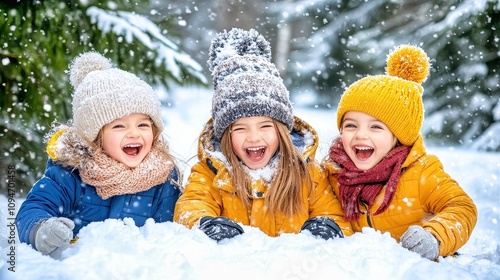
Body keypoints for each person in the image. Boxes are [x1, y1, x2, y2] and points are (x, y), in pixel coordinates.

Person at [173, 28, 351, 242]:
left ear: (283, 131)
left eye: (265, 126)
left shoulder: (308, 173)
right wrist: (203, 224)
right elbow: (191, 206)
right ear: (225, 136)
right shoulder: (212, 172)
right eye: (240, 128)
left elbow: (335, 216)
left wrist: (328, 229)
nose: (254, 137)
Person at [16, 52, 181, 257]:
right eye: (119, 126)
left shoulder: (163, 177)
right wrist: (40, 229)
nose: (134, 133)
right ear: (94, 137)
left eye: (143, 125)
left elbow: (171, 231)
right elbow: (35, 206)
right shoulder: (71, 172)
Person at [323, 44, 477, 260]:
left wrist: (435, 236)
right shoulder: (333, 173)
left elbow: (462, 207)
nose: (360, 134)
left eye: (376, 127)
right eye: (350, 125)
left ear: (399, 136)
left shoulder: (422, 172)